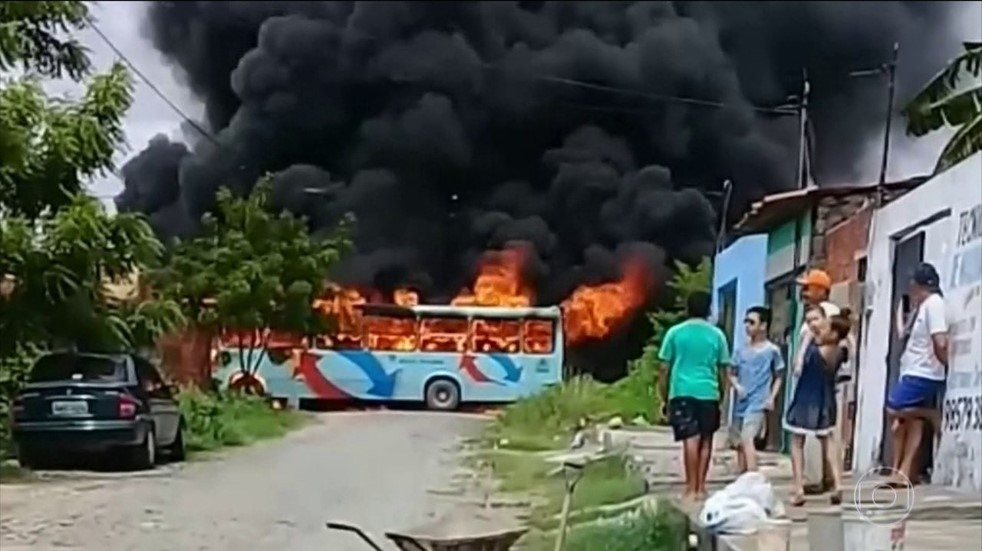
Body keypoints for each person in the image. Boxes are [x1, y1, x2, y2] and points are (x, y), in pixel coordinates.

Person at [658, 290, 730, 502]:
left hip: (681, 391)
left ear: (687, 308)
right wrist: (722, 394)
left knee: (690, 439)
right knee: (706, 440)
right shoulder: (717, 335)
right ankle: (701, 487)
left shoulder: (675, 333)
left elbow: (664, 368)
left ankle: (690, 488)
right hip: (708, 392)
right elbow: (723, 369)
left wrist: (664, 395)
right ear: (709, 309)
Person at [885, 262, 948, 486]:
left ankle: (931, 414)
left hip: (923, 372)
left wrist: (944, 364)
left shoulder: (934, 304)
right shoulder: (921, 307)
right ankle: (904, 473)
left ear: (920, 285)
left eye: (914, 283)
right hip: (912, 369)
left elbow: (940, 341)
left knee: (894, 407)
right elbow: (904, 335)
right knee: (910, 423)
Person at [785, 305, 851, 506]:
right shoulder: (840, 350)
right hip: (826, 399)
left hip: (806, 397)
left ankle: (798, 487)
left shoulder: (815, 350)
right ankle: (837, 482)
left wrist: (806, 341)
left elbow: (797, 367)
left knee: (797, 442)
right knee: (827, 440)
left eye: (818, 321)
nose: (813, 326)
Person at [794, 268, 851, 493]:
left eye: (808, 288)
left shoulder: (827, 313)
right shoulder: (818, 312)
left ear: (821, 290)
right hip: (819, 380)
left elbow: (838, 345)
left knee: (814, 434)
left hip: (821, 381)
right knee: (824, 435)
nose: (804, 293)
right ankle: (828, 479)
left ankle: (815, 479)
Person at [728, 306, 785, 473]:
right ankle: (742, 474)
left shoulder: (772, 351)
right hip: (741, 401)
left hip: (758, 401)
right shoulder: (740, 350)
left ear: (763, 325)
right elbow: (731, 373)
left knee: (748, 437)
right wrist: (737, 386)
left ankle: (753, 473)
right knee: (739, 442)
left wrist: (771, 397)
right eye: (746, 322)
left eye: (751, 322)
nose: (747, 326)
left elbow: (779, 375)